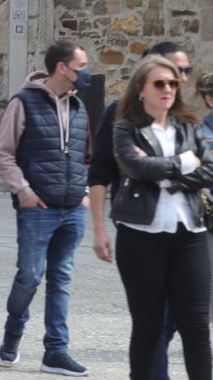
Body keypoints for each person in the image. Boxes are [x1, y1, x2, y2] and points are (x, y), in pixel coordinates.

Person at [89, 42, 191, 379]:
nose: (177, 81)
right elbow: (101, 171)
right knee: (155, 322)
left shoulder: (186, 120)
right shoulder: (120, 115)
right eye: (168, 76)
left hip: (187, 232)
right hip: (140, 228)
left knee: (180, 317)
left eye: (182, 75)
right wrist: (100, 230)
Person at [0, 39, 92, 376]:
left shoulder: (79, 107)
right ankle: (13, 332)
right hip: (37, 209)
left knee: (61, 279)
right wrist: (25, 192)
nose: (86, 72)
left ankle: (55, 351)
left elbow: (86, 156)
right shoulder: (23, 103)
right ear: (62, 67)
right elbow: (2, 155)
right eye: (81, 66)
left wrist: (84, 191)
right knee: (30, 277)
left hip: (72, 208)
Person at [111, 55, 213, 380]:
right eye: (159, 83)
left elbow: (210, 168)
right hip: (141, 235)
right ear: (141, 89)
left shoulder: (191, 124)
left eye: (173, 83)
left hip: (191, 232)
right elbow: (134, 166)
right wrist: (186, 162)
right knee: (148, 326)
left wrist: (166, 175)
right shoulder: (126, 127)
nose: (167, 89)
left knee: (196, 325)